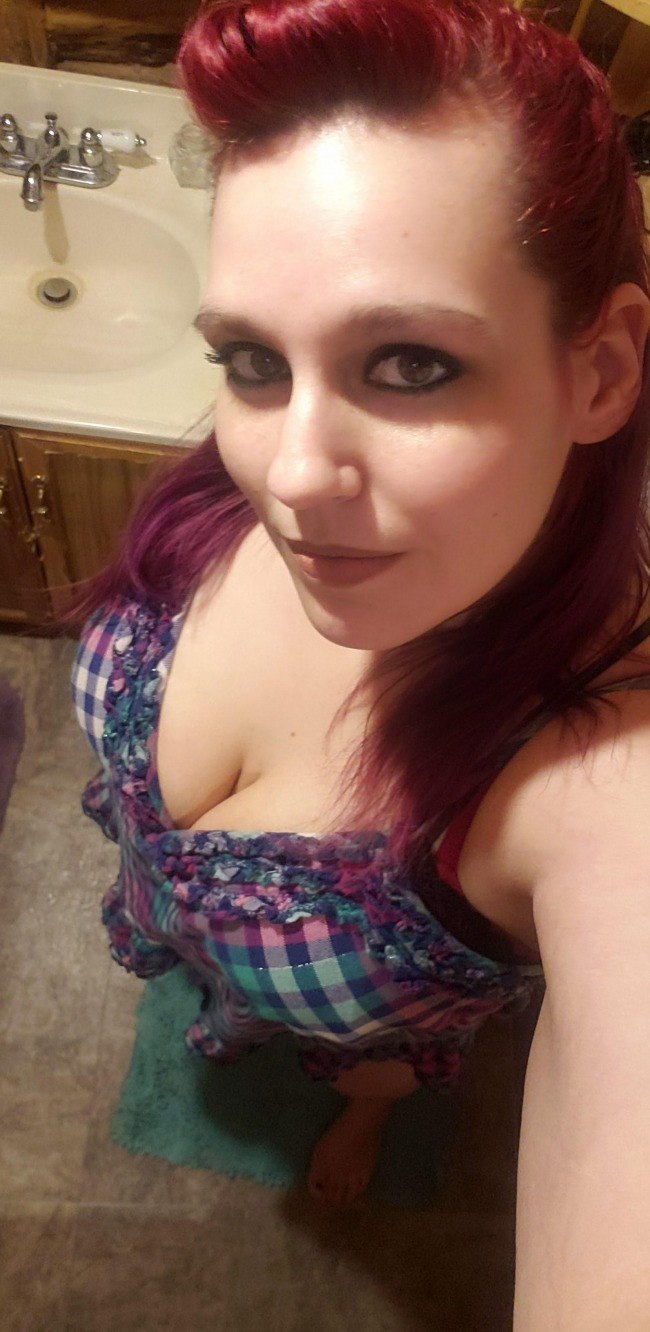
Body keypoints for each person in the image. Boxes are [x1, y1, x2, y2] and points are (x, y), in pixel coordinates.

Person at [68, 0, 650, 1324]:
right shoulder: (264, 473)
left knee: (373, 1070)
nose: (291, 474)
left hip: (372, 1043)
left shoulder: (599, 776)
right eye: (250, 360)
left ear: (601, 370)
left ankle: (368, 1115)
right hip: (200, 950)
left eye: (410, 364)